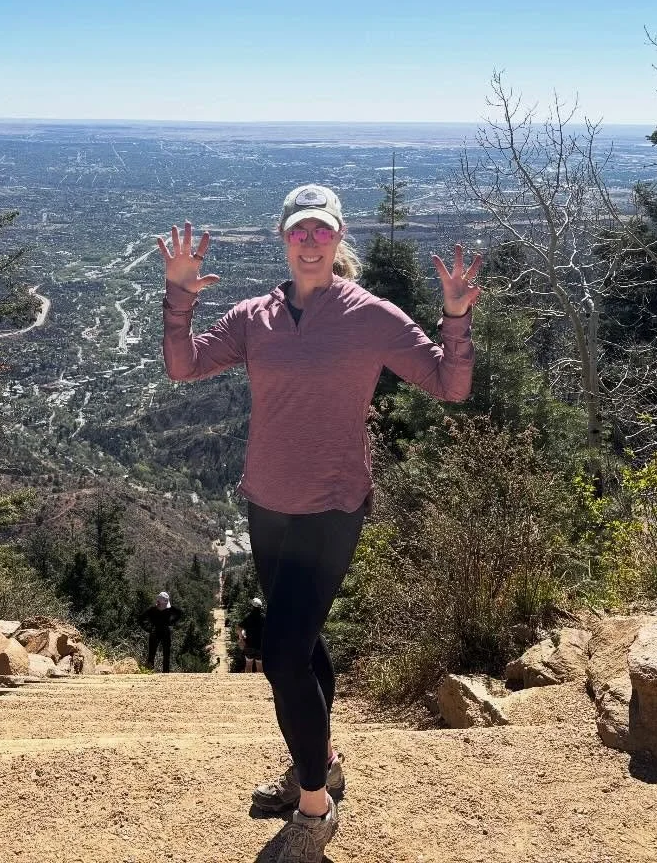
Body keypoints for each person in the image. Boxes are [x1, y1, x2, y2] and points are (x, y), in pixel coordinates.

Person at [159, 184, 479, 862]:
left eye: (321, 232)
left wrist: (455, 318)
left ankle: (314, 804)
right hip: (268, 505)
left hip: (333, 508)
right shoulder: (255, 316)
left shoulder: (371, 315)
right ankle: (323, 759)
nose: (310, 242)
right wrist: (179, 296)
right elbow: (182, 367)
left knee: (280, 654)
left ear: (339, 241)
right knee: (303, 648)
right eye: (299, 231)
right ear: (284, 238)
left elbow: (450, 386)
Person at [140, 591, 183, 673]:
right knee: (151, 654)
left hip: (165, 632)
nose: (165, 605)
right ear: (158, 602)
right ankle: (149, 671)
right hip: (154, 632)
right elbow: (141, 619)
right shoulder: (151, 610)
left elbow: (179, 613)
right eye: (164, 603)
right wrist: (148, 629)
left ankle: (166, 674)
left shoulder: (170, 609)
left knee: (166, 654)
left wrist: (172, 622)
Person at [239, 596, 265, 673]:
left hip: (249, 644)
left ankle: (248, 682)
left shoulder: (248, 617)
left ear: (252, 606)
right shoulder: (264, 617)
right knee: (260, 667)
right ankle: (259, 684)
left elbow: (239, 628)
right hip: (260, 646)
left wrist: (241, 638)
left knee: (248, 665)